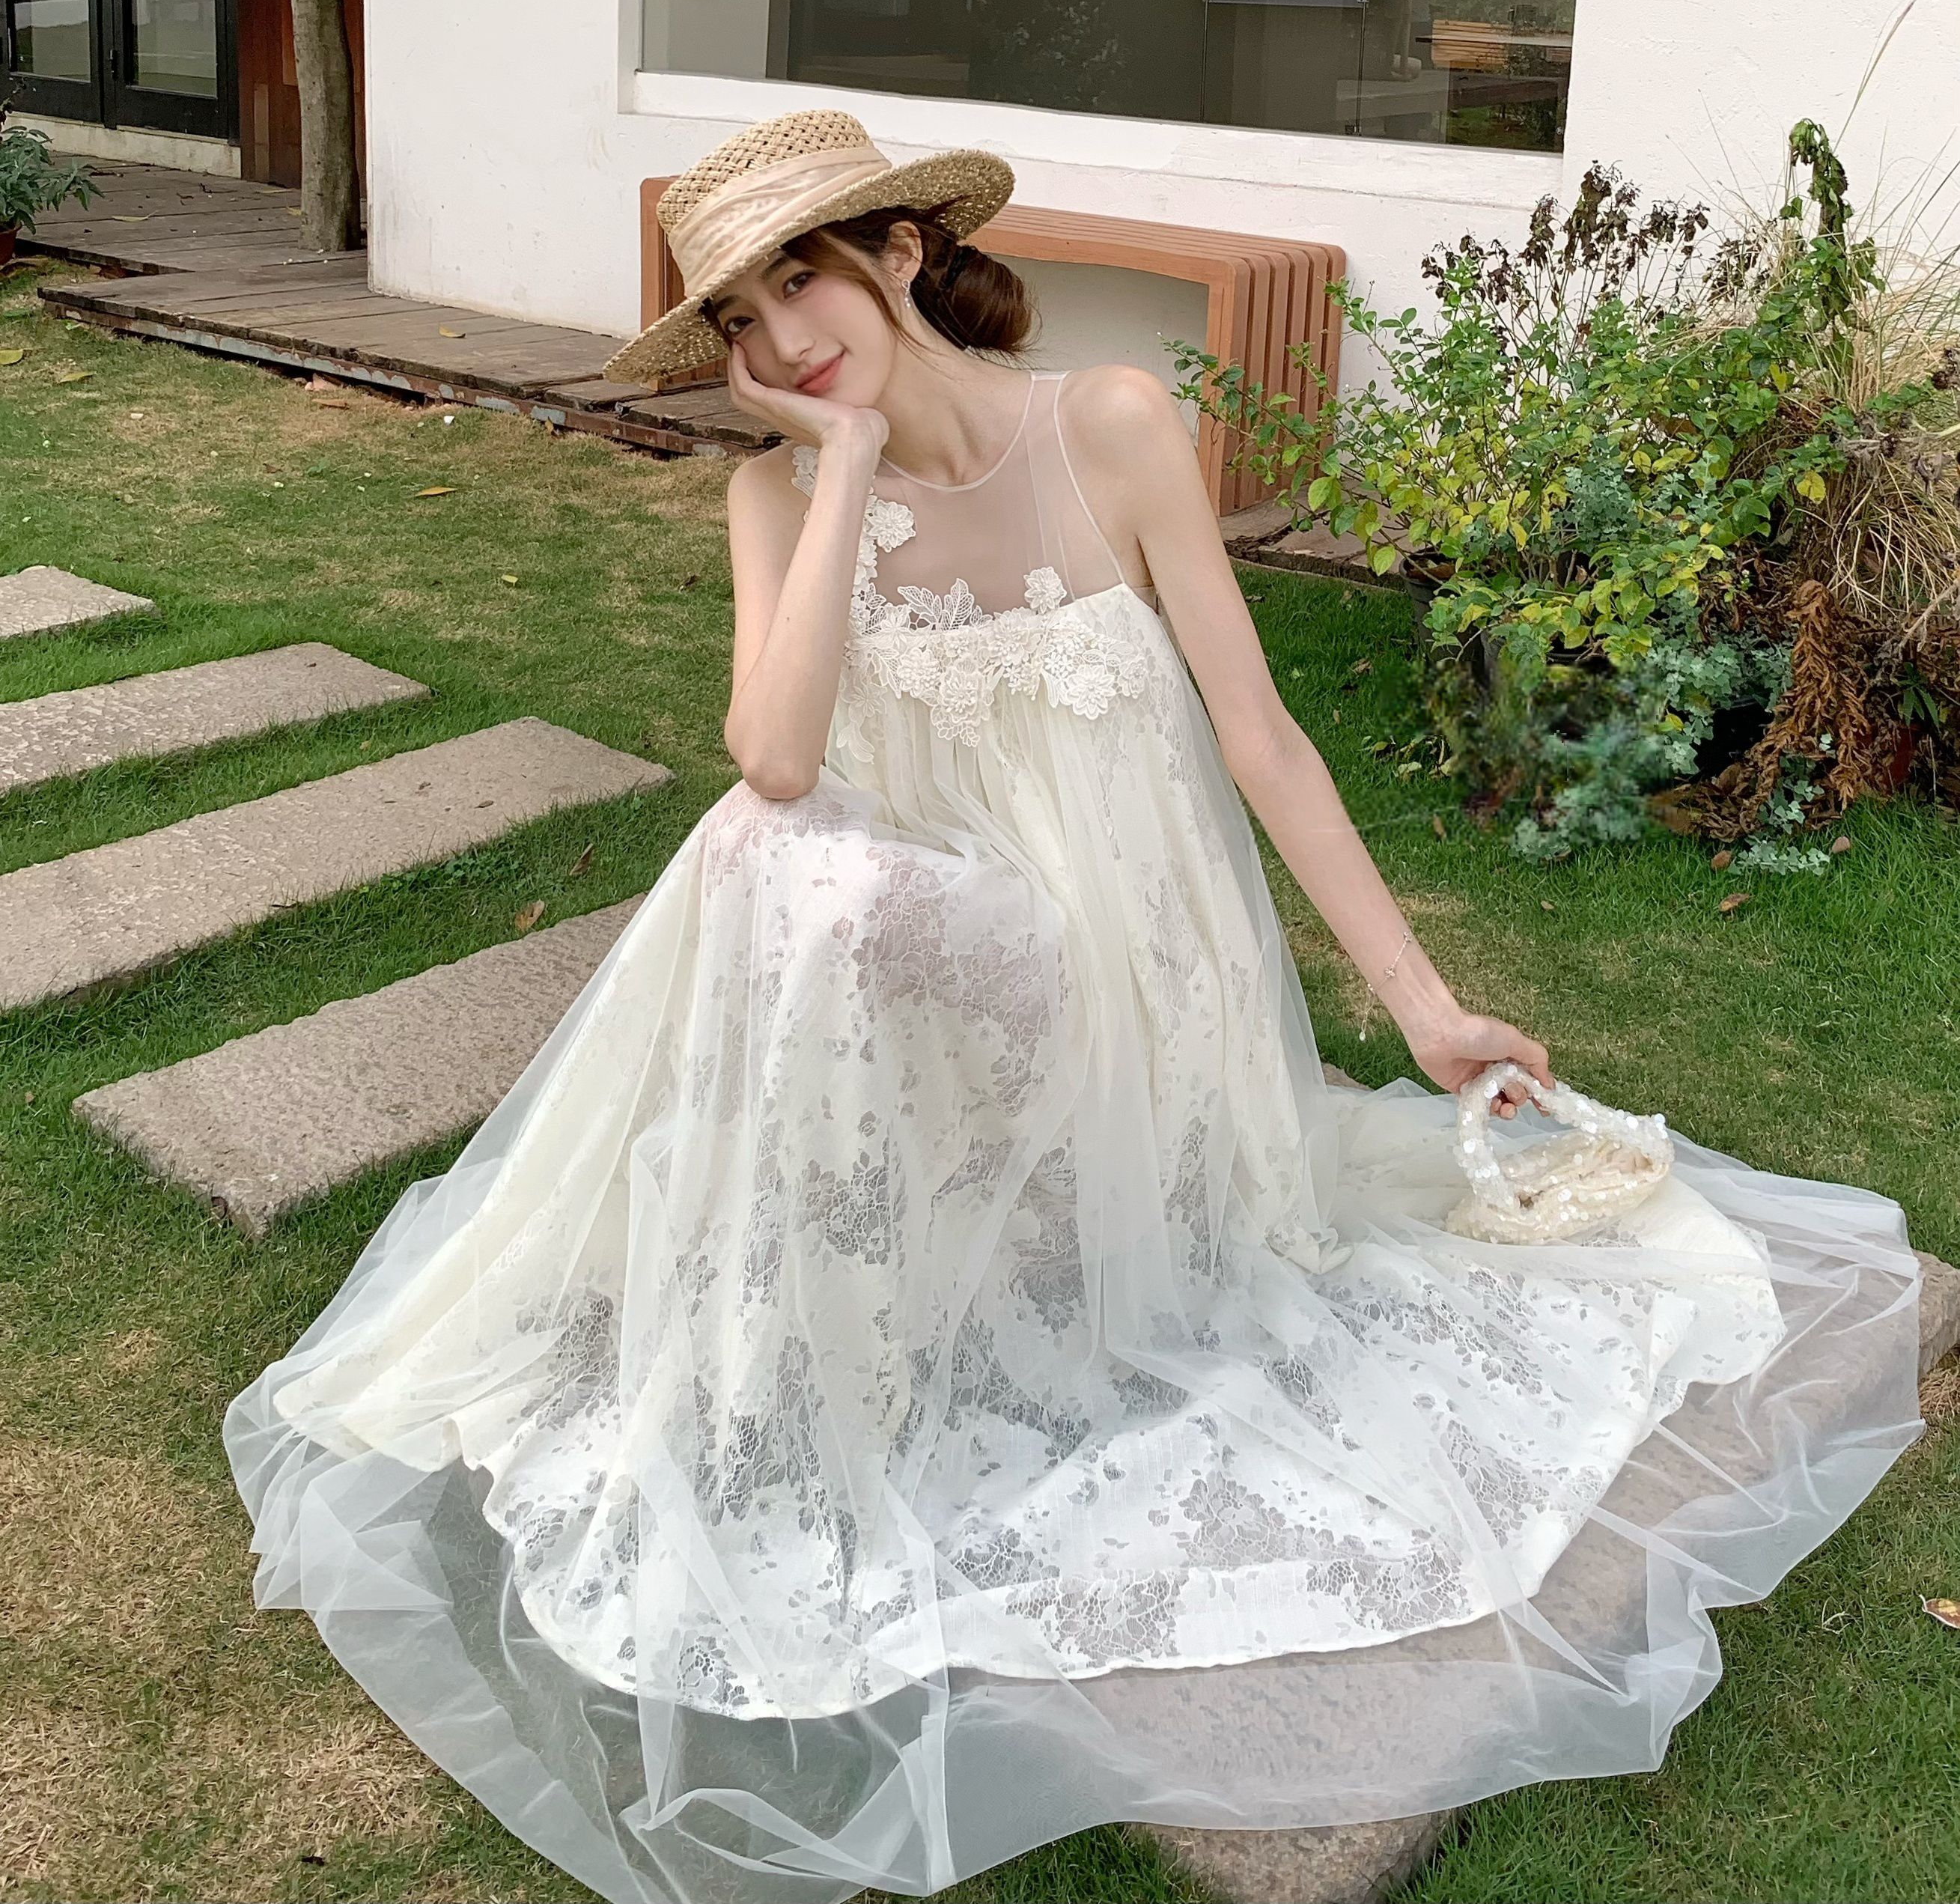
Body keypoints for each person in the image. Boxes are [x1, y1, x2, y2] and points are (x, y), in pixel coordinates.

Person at [227, 111, 1924, 1904]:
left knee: (793, 877)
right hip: (930, 979)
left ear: (898, 250)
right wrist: (843, 462)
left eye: (803, 276)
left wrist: (1420, 1007)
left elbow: (1262, 738)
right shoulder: (774, 497)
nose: (781, 336)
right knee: (766, 851)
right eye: (737, 317)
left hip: (1125, 988)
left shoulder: (1108, 423)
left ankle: (890, 1260)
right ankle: (829, 1289)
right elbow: (776, 758)